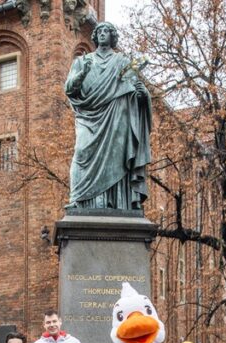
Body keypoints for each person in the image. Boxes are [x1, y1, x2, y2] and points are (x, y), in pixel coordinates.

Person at [64, 21, 151, 211]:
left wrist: (143, 95)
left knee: (117, 159)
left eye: (106, 31)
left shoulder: (123, 62)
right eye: (99, 31)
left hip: (117, 117)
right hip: (88, 116)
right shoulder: (82, 61)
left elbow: (134, 92)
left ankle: (117, 202)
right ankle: (79, 199)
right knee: (81, 151)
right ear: (95, 36)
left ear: (112, 36)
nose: (102, 34)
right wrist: (82, 74)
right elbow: (69, 89)